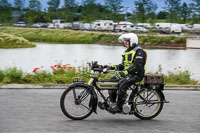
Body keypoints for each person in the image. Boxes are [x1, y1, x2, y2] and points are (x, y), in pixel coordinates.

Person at [107, 33, 147, 113]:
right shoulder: (127, 51)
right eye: (124, 41)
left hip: (136, 74)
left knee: (122, 84)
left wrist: (125, 72)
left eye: (127, 41)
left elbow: (138, 66)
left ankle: (119, 107)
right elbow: (123, 66)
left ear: (132, 41)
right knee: (111, 81)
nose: (125, 43)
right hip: (128, 74)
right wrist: (111, 67)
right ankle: (113, 103)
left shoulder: (139, 51)